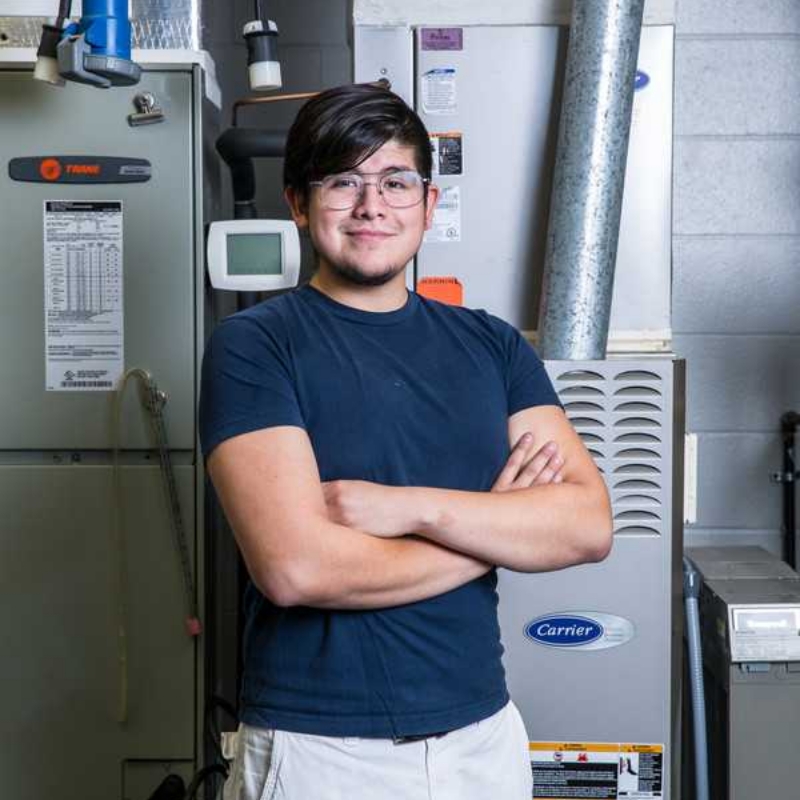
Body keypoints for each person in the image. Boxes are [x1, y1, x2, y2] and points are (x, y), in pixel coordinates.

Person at [199, 83, 612, 800]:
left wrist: (412, 508)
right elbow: (296, 569)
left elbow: (585, 524)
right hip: (321, 750)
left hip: (481, 740)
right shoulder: (255, 346)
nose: (371, 206)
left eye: (395, 182)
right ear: (298, 204)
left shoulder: (493, 346)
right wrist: (491, 527)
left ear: (428, 205)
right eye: (343, 182)